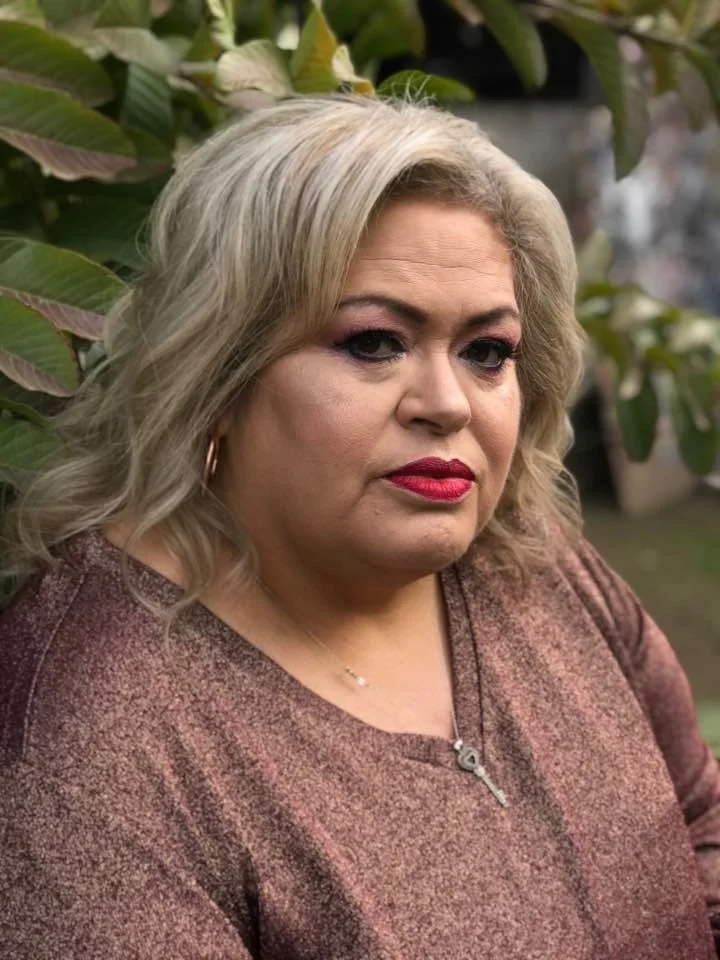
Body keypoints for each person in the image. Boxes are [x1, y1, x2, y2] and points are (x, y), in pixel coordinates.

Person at [0, 95, 717, 960]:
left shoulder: (531, 561)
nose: (448, 404)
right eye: (375, 343)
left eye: (486, 351)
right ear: (218, 371)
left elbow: (700, 828)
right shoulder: (93, 744)